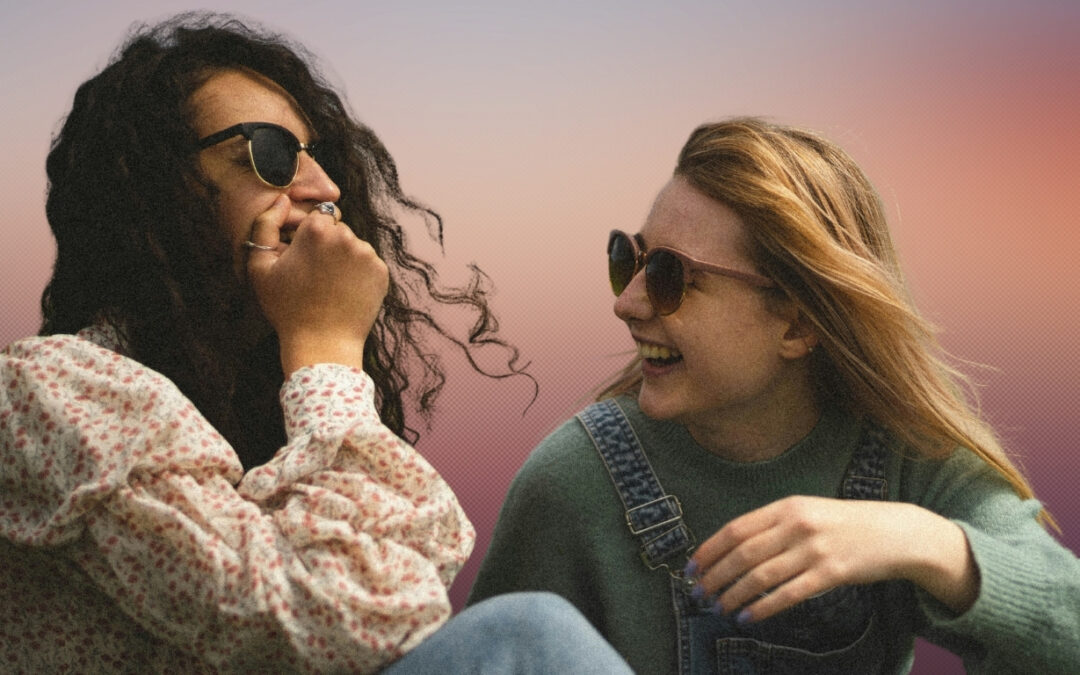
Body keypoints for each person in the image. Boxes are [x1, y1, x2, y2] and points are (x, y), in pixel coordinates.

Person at [0, 13, 632, 674]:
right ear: (159, 185)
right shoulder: (50, 390)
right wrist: (325, 347)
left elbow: (414, 586)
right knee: (526, 637)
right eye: (272, 152)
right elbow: (362, 621)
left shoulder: (259, 414)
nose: (323, 189)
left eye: (318, 156)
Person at [468, 117, 1080, 673]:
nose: (626, 303)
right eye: (629, 259)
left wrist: (925, 542)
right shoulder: (572, 481)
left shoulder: (911, 462)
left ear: (796, 323)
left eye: (669, 277)